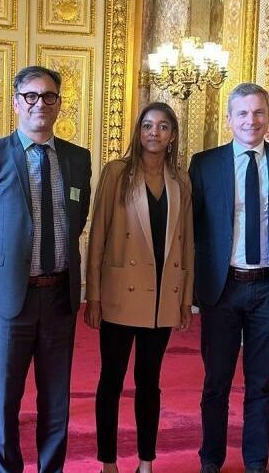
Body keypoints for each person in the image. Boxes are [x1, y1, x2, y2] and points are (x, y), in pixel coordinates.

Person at [0, 65, 92, 473]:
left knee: (56, 400)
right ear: (17, 102)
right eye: (31, 96)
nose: (40, 103)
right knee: (3, 402)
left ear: (58, 104)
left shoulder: (77, 158)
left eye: (48, 96)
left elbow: (78, 215)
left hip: (59, 297)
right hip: (7, 301)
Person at [190, 83, 269, 473]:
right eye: (242, 114)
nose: (251, 120)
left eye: (258, 112)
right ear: (229, 120)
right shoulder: (204, 163)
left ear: (268, 117)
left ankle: (256, 463)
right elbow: (190, 225)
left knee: (260, 385)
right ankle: (210, 460)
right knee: (216, 384)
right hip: (222, 287)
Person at [84, 102, 194, 473]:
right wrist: (93, 294)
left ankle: (146, 463)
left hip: (163, 296)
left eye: (163, 127)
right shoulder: (117, 172)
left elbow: (186, 242)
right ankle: (108, 463)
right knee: (111, 380)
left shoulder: (181, 178)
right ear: (138, 130)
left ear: (172, 135)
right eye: (148, 125)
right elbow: (98, 233)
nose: (154, 133)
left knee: (150, 382)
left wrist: (185, 300)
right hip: (119, 294)